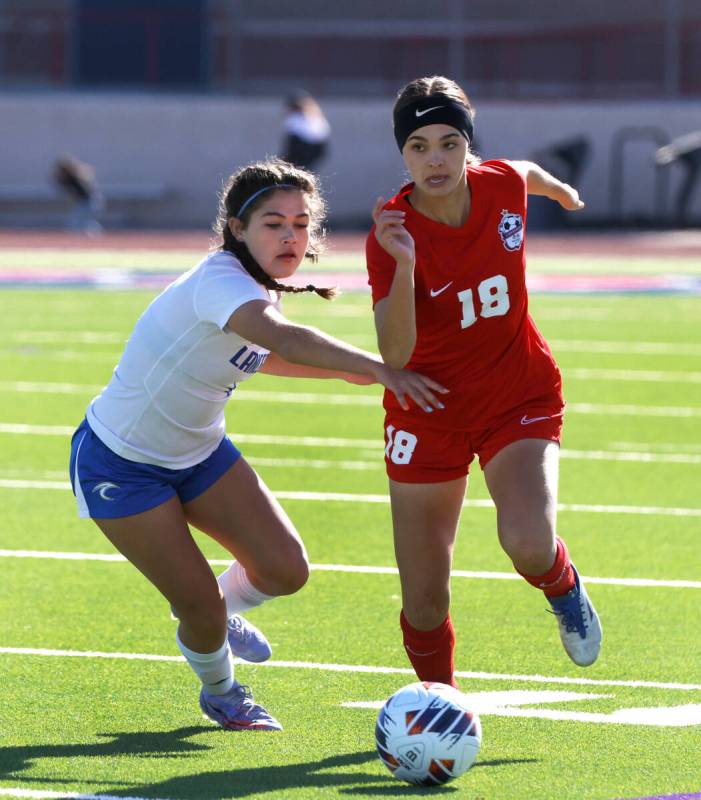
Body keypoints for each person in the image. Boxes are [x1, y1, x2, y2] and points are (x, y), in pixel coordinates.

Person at [69, 158, 446, 731]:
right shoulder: (223, 278)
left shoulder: (252, 285)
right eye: (274, 223)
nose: (291, 235)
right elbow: (278, 337)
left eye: (300, 222)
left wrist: (348, 374)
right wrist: (378, 366)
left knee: (285, 568)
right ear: (237, 228)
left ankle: (218, 610)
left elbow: (257, 354)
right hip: (121, 463)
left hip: (199, 453)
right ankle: (222, 692)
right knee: (198, 608)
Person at [366, 76, 603, 688]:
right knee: (423, 599)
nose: (435, 159)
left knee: (527, 542)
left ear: (468, 145)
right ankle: (437, 705)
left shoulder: (497, 183)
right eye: (418, 146)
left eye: (449, 142)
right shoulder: (390, 234)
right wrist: (406, 262)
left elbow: (523, 172)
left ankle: (563, 586)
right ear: (402, 153)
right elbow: (394, 353)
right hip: (426, 409)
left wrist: (562, 190)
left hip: (515, 393)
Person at [280, 90, 331, 172]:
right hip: (316, 149)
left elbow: (292, 141)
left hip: (303, 148)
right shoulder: (316, 115)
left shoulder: (295, 117)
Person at [53, 155, 104, 235]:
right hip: (87, 202)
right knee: (82, 222)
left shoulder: (73, 177)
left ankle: (94, 237)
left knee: (78, 223)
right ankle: (94, 236)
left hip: (89, 202)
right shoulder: (72, 177)